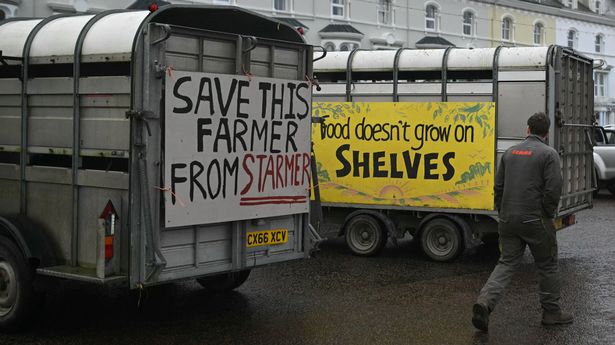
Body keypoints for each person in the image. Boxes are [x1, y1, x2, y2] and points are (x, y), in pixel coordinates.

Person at [472, 112, 573, 331]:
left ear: (527, 129)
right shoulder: (549, 154)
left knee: (506, 263)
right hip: (536, 220)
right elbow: (553, 188)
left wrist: (502, 211)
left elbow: (498, 186)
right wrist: (546, 212)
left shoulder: (509, 153)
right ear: (546, 133)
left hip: (508, 219)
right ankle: (552, 313)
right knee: (547, 265)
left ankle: (484, 303)